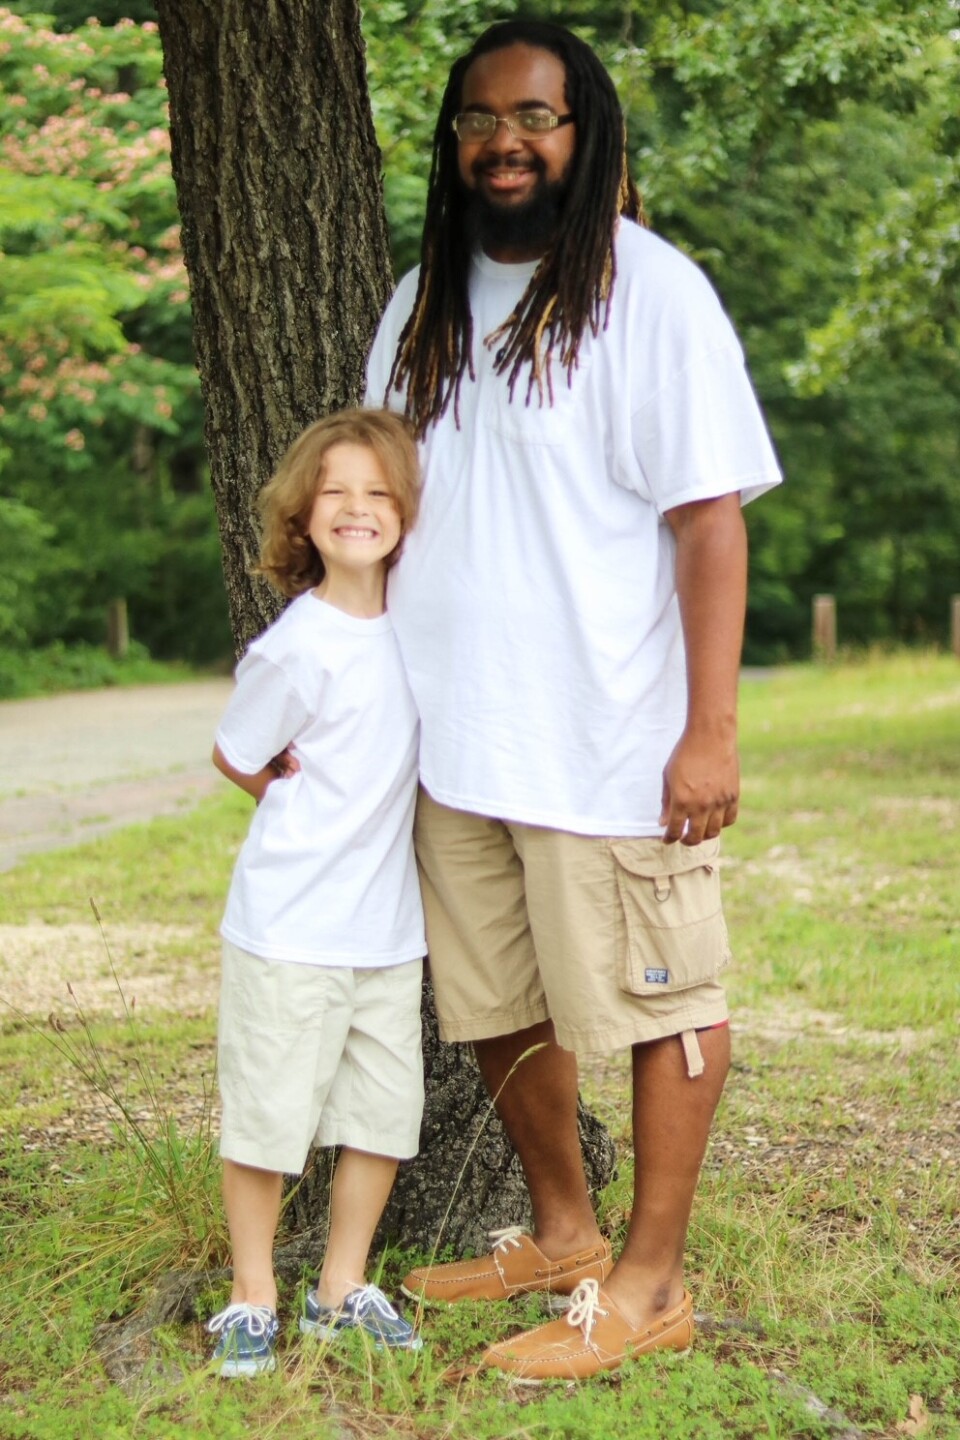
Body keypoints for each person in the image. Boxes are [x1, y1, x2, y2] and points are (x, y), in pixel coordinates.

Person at [365, 19, 783, 1381]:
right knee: (494, 1004)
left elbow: (709, 523)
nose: (506, 141)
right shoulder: (421, 299)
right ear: (453, 141)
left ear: (585, 130)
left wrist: (707, 732)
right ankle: (564, 1234)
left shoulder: (647, 291)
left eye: (537, 116)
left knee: (664, 1002)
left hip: (607, 740)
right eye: (481, 118)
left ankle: (651, 1282)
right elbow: (375, 505)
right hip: (455, 744)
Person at [205, 408, 426, 1377]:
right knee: (269, 1115)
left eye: (379, 493)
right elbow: (235, 750)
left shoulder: (424, 631)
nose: (358, 509)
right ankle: (251, 1296)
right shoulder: (297, 643)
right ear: (303, 517)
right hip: (291, 924)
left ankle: (340, 1287)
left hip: (387, 929)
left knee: (381, 1113)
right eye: (336, 492)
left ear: (409, 514)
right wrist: (287, 796)